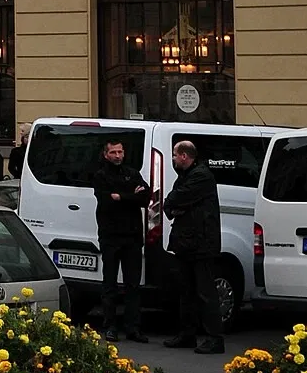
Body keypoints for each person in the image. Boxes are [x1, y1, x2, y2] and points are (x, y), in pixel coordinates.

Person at [163, 139, 225, 352]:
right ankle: (187, 334)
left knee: (206, 292)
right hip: (186, 242)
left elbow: (176, 199)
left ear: (183, 156)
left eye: (174, 154)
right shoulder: (185, 176)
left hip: (201, 243)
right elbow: (171, 204)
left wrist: (175, 205)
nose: (173, 158)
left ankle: (214, 338)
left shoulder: (201, 176)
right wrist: (174, 205)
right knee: (186, 291)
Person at [92, 137, 150, 341]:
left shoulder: (132, 173)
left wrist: (122, 197)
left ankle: (133, 327)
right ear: (106, 154)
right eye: (113, 152)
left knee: (132, 284)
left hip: (132, 237)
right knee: (110, 284)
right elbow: (106, 201)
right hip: (110, 236)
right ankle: (110, 326)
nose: (117, 156)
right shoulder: (101, 176)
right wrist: (128, 196)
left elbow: (145, 197)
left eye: (120, 152)